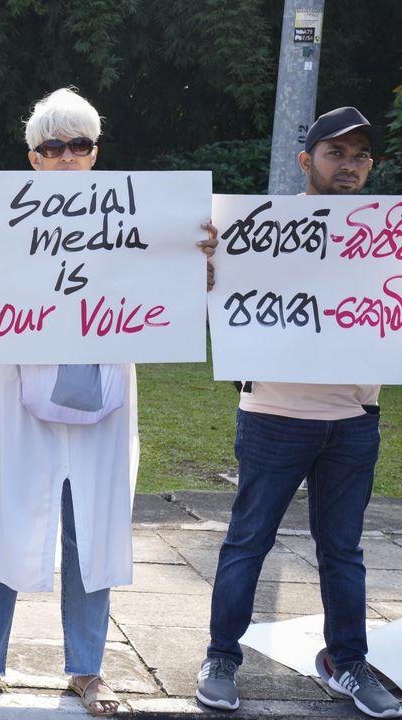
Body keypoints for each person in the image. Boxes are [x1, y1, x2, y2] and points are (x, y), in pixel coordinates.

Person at [0, 88, 216, 715]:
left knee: (94, 527)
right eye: (52, 147)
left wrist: (195, 258)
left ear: (96, 152)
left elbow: (175, 307)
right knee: (3, 517)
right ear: (33, 157)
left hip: (105, 394)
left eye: (78, 144)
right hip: (19, 395)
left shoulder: (137, 219)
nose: (66, 156)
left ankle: (88, 667)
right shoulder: (4, 218)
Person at [196, 107, 402, 720]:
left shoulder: (384, 237)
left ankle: (347, 662)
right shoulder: (257, 229)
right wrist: (206, 272)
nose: (350, 165)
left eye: (360, 156)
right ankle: (221, 659)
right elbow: (213, 302)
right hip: (273, 414)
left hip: (353, 419)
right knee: (247, 541)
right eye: (336, 153)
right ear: (306, 160)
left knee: (343, 551)